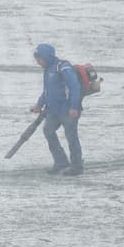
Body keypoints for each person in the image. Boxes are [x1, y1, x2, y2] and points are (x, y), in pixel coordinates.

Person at [31, 42, 84, 175]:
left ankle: (77, 167)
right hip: (53, 110)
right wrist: (39, 104)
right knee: (48, 131)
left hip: (68, 110)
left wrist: (74, 107)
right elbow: (47, 91)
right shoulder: (48, 69)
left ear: (47, 57)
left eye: (39, 59)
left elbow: (75, 87)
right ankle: (61, 162)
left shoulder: (63, 67)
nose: (38, 62)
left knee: (71, 137)